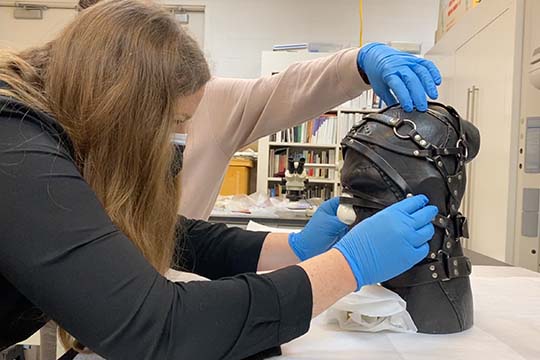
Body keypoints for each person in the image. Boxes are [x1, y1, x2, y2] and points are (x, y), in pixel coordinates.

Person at [0, 1, 438, 359]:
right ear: (121, 110)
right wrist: (346, 268)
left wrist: (293, 250)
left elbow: (144, 231)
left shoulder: (54, 126)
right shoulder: (15, 148)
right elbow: (159, 328)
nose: (181, 139)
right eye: (174, 121)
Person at [74, 0, 443, 221]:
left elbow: (285, 90)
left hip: (175, 293)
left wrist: (358, 64)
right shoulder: (65, 106)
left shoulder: (206, 100)